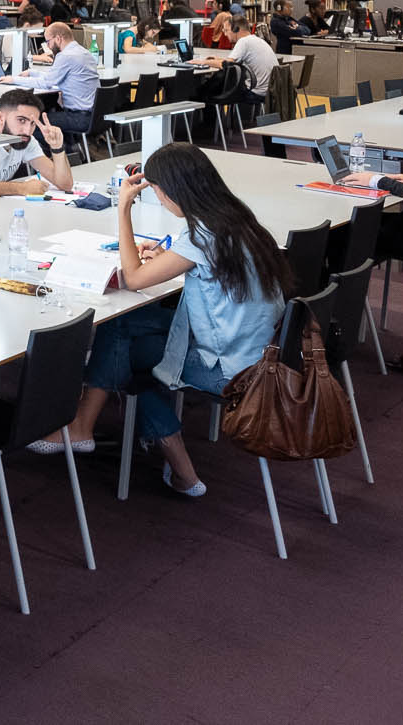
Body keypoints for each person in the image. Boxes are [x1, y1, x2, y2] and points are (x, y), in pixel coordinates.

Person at [34, 143, 291, 497]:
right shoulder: (236, 219)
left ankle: (168, 464)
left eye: (155, 191)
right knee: (123, 330)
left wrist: (123, 209)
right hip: (260, 351)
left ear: (169, 191)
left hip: (229, 368)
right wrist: (167, 258)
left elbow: (135, 278)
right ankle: (84, 426)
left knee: (136, 362)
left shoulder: (201, 237)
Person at [0, 89, 73, 196]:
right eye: (21, 120)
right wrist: (21, 188)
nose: (27, 131)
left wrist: (57, 147)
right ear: (0, 118)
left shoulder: (26, 139)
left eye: (32, 123)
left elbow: (65, 184)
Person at [0, 20, 97, 142]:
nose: (48, 47)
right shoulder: (84, 52)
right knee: (51, 111)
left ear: (58, 38)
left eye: (48, 42)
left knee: (33, 124)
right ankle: (69, 149)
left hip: (77, 117)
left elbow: (46, 83)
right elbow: (54, 76)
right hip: (93, 116)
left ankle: (51, 155)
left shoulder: (65, 56)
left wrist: (13, 79)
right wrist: (32, 72)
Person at [196, 12, 276, 111]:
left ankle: (208, 124)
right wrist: (217, 59)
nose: (225, 34)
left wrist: (202, 62)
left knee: (206, 92)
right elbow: (232, 62)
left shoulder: (243, 42)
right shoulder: (256, 40)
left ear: (236, 29)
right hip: (269, 92)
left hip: (255, 93)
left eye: (226, 30)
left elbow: (227, 65)